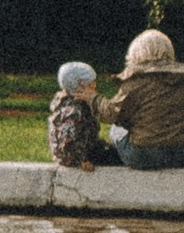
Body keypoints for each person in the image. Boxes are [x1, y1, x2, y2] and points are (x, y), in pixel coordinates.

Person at [105, 29, 184, 170]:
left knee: (115, 129)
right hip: (180, 154)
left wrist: (92, 98)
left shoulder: (135, 82)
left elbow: (111, 114)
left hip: (144, 156)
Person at [50, 61, 105, 171]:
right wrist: (81, 160)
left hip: (84, 149)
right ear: (80, 86)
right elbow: (68, 138)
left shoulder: (64, 103)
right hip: (77, 156)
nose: (95, 87)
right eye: (91, 84)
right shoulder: (75, 110)